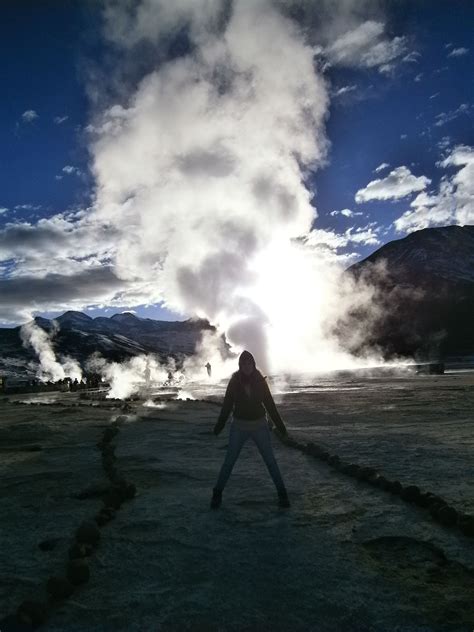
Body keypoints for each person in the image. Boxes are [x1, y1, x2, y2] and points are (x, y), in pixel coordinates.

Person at [211, 350, 290, 509]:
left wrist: (281, 427)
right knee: (229, 462)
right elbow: (227, 405)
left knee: (270, 461)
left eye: (250, 363)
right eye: (244, 363)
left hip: (259, 426)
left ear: (253, 364)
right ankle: (217, 494)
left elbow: (269, 405)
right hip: (239, 426)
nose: (247, 366)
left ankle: (282, 494)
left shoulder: (261, 381)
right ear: (240, 365)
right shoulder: (234, 382)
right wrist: (219, 425)